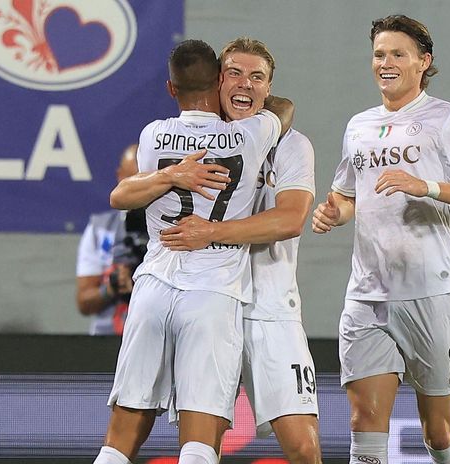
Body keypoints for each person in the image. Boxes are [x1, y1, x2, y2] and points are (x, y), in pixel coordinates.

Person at [311, 15, 450, 464]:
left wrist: (427, 186)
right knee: (364, 429)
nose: (386, 63)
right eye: (379, 54)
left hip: (431, 293)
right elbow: (347, 194)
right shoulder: (359, 125)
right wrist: (333, 211)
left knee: (439, 434)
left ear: (423, 62)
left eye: (398, 54)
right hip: (367, 295)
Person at [92, 39, 292, 464]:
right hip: (212, 291)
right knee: (200, 442)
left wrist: (172, 174)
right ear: (220, 80)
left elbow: (124, 193)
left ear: (170, 88)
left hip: (152, 288)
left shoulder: (153, 134)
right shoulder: (250, 133)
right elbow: (284, 110)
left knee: (120, 438)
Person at [156, 37, 322, 463]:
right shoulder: (192, 142)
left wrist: (211, 232)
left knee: (303, 446)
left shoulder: (291, 144)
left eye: (257, 77)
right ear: (216, 82)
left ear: (268, 88)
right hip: (208, 302)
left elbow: (290, 220)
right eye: (234, 73)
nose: (245, 84)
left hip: (270, 308)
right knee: (200, 444)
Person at [75, 144, 139, 335]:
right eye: (134, 178)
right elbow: (84, 303)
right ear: (121, 177)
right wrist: (111, 286)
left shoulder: (175, 226)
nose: (140, 187)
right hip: (107, 338)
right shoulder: (99, 229)